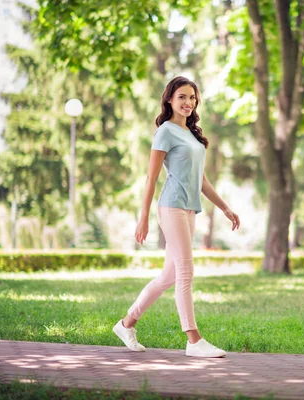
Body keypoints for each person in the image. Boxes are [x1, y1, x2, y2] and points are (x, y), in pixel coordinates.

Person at [113, 76, 240, 358]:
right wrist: (143, 217)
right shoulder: (165, 132)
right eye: (182, 97)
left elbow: (202, 180)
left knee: (168, 276)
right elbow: (151, 177)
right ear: (169, 99)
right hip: (170, 206)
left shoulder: (192, 135)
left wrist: (225, 207)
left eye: (192, 98)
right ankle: (194, 341)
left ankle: (126, 324)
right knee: (185, 271)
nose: (188, 102)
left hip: (188, 208)